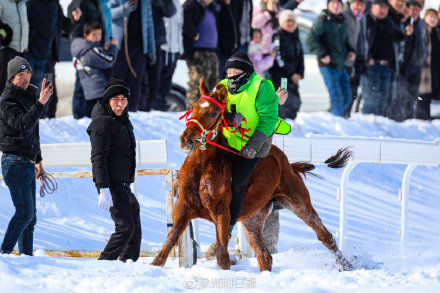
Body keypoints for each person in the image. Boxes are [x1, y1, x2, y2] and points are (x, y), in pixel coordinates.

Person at [218, 51, 290, 238]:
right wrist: (228, 117)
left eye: (235, 72)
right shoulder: (222, 86)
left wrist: (252, 146)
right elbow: (212, 109)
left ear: (245, 72)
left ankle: (226, 233)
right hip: (225, 145)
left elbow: (268, 120)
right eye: (228, 73)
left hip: (252, 147)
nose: (230, 76)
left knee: (238, 185)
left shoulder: (261, 86)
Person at [0, 57, 53, 255]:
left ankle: (26, 258)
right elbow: (22, 124)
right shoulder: (8, 99)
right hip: (14, 161)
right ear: (12, 78)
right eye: (20, 75)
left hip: (27, 162)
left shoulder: (29, 94)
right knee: (24, 213)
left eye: (27, 73)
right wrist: (40, 103)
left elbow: (34, 132)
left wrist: (38, 160)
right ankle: (4, 254)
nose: (24, 78)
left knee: (31, 218)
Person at [87, 78, 141, 262]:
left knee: (133, 211)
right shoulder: (102, 123)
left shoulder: (122, 120)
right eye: (115, 100)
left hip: (122, 182)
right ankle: (104, 264)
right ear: (107, 101)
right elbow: (98, 158)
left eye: (124, 100)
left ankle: (128, 261)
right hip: (111, 183)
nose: (120, 104)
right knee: (125, 227)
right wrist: (103, 188)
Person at [306, 0, 355, 117]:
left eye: (338, 4)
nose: (336, 6)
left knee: (347, 96)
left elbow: (345, 40)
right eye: (333, 3)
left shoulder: (341, 20)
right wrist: (322, 54)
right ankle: (337, 122)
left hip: (340, 64)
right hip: (328, 65)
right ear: (328, 5)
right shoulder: (323, 20)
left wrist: (351, 50)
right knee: (336, 96)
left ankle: (335, 118)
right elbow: (310, 39)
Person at [357, 0, 402, 116]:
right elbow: (360, 41)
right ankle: (370, 129)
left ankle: (380, 127)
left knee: (384, 100)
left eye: (386, 8)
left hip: (387, 66)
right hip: (371, 66)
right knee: (372, 101)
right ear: (372, 6)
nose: (383, 10)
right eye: (380, 7)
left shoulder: (388, 22)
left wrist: (405, 33)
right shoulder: (366, 20)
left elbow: (398, 36)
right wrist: (367, 58)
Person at [110, 0, 156, 112]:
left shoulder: (145, 2)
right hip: (120, 47)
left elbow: (149, 24)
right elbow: (108, 13)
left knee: (135, 83)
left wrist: (151, 49)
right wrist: (124, 9)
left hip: (139, 48)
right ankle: (115, 114)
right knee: (118, 83)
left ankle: (132, 114)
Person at [68, 0, 107, 119]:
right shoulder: (79, 3)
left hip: (93, 48)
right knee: (81, 84)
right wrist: (85, 48)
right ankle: (79, 117)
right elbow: (76, 28)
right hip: (83, 50)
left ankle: (88, 116)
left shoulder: (94, 3)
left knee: (91, 85)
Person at [71, 22, 118, 117]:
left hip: (88, 91)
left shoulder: (79, 49)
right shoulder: (91, 51)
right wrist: (113, 46)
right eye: (94, 35)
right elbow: (109, 61)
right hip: (97, 91)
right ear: (86, 35)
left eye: (99, 34)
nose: (97, 37)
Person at [393, 0, 428, 121]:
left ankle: (409, 120)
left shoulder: (422, 24)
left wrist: (423, 55)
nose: (415, 12)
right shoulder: (403, 22)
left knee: (412, 94)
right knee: (402, 94)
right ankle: (399, 120)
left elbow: (425, 42)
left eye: (417, 10)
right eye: (412, 9)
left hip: (417, 64)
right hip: (404, 64)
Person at [140, 0, 176, 112]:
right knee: (141, 80)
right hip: (139, 42)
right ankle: (140, 108)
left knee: (155, 81)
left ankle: (151, 109)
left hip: (157, 43)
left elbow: (170, 12)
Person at [182, 0, 219, 108]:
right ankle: (193, 112)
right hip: (198, 51)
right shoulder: (192, 5)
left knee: (213, 86)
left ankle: (208, 115)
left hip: (212, 52)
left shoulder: (212, 8)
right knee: (198, 84)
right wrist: (193, 34)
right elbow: (183, 20)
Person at [270, 9, 304, 120]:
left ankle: (291, 124)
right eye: (287, 21)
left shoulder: (296, 37)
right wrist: (291, 74)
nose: (290, 24)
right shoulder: (278, 36)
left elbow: (300, 57)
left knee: (295, 101)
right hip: (282, 77)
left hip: (293, 77)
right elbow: (279, 59)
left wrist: (300, 73)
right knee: (284, 100)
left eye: (292, 21)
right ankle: (282, 123)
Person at [26, 0, 59, 96]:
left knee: (39, 88)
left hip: (46, 53)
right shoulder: (30, 3)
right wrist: (27, 44)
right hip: (30, 52)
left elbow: (58, 28)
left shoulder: (54, 5)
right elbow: (25, 24)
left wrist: (75, 20)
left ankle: (37, 111)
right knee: (25, 86)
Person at [342, 0, 366, 115]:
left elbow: (365, 37)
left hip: (359, 58)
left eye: (362, 5)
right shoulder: (344, 14)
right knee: (345, 90)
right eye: (357, 4)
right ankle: (342, 115)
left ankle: (347, 115)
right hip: (347, 58)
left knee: (354, 90)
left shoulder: (362, 17)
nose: (359, 7)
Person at [0, 0, 29, 95]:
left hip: (22, 52)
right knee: (4, 88)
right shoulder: (2, 2)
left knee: (19, 90)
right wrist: (5, 34)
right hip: (6, 51)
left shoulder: (23, 3)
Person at [416, 9, 440, 120]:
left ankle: (426, 119)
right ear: (425, 17)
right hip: (423, 69)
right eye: (430, 16)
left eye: (435, 17)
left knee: (428, 96)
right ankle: (421, 119)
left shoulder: (436, 33)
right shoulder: (422, 30)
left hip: (433, 70)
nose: (433, 19)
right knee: (422, 96)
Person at [158, 0, 183, 106]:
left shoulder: (178, 4)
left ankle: (162, 104)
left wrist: (180, 48)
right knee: (158, 80)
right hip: (163, 48)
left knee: (167, 81)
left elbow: (180, 27)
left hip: (175, 49)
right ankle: (155, 105)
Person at [216, 0, 239, 79]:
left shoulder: (231, 7)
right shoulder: (218, 7)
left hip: (231, 52)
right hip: (221, 53)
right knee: (218, 79)